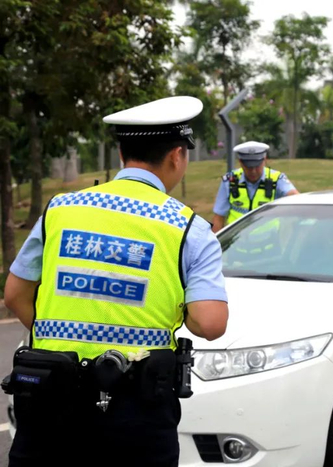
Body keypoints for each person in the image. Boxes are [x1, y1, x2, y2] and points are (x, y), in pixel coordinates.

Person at [3, 96, 229, 467]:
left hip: (47, 401)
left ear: (122, 154)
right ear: (177, 156)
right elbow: (210, 323)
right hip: (137, 413)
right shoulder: (189, 229)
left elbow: (15, 295)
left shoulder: (61, 209)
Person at [211, 141, 299, 233]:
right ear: (240, 162)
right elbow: (219, 217)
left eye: (257, 166)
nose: (253, 171)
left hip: (269, 240)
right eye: (249, 167)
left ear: (265, 160)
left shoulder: (277, 179)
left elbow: (296, 198)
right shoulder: (230, 181)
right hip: (236, 240)